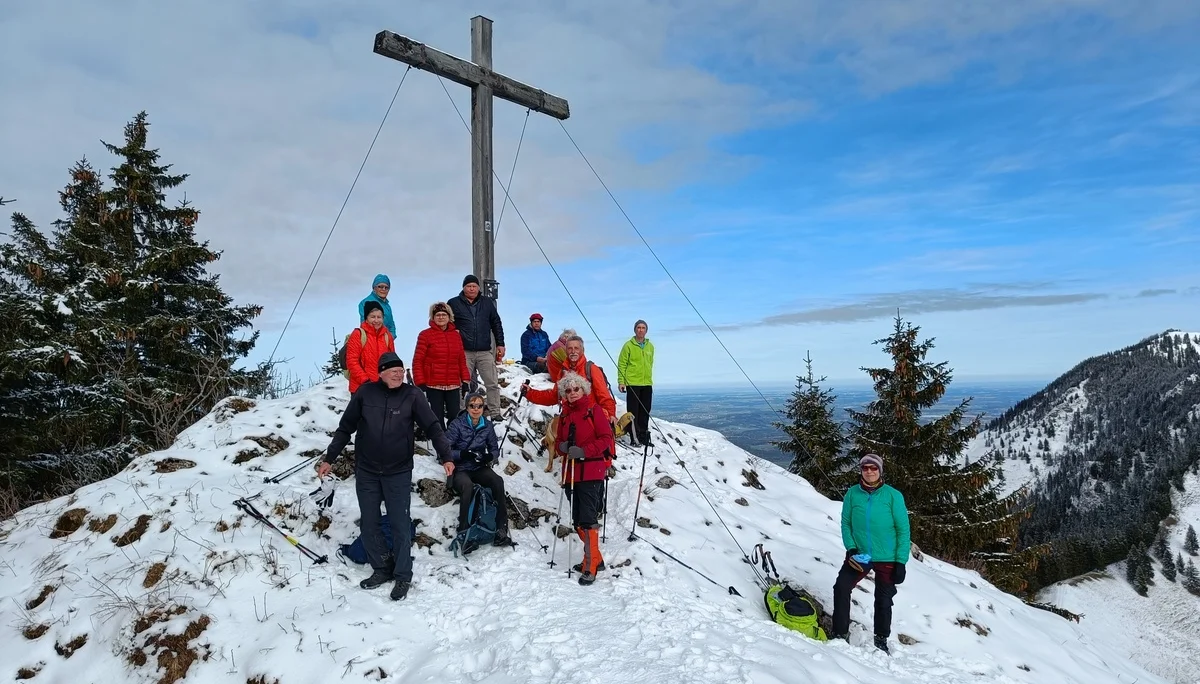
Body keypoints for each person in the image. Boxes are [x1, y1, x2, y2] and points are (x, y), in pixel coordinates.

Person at [319, 352, 451, 601]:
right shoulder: (365, 393)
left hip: (398, 471)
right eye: (393, 370)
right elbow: (346, 427)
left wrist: (446, 456)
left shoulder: (413, 395)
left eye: (401, 370)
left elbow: (433, 426)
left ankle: (402, 575)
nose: (399, 374)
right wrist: (329, 458)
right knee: (369, 523)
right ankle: (381, 568)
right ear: (381, 372)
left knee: (400, 524)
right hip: (367, 471)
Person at [832, 453, 910, 653]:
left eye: (873, 468)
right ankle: (840, 633)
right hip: (860, 554)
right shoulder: (852, 494)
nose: (869, 471)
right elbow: (846, 523)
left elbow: (903, 530)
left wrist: (901, 562)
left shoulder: (893, 496)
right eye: (865, 468)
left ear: (880, 470)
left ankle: (881, 639)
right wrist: (851, 548)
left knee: (883, 600)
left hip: (888, 556)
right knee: (841, 587)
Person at [549, 371, 614, 586]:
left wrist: (584, 451)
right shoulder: (565, 416)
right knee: (577, 519)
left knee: (587, 519)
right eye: (568, 390)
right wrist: (563, 447)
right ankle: (596, 558)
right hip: (571, 474)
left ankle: (590, 566)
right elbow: (558, 443)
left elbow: (606, 439)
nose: (572, 393)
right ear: (564, 395)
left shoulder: (594, 410)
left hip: (591, 471)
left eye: (576, 388)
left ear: (583, 389)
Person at [442, 392, 512, 550]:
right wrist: (462, 454)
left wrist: (488, 457)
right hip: (460, 468)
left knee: (497, 481)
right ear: (466, 407)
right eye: (472, 406)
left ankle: (501, 529)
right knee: (467, 486)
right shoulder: (457, 424)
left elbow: (494, 449)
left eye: (479, 405)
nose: (476, 409)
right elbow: (445, 450)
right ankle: (464, 531)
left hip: (479, 466)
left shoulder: (487, 426)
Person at [523, 335, 616, 423]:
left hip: (591, 422)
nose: (573, 351)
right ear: (566, 351)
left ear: (582, 350)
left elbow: (604, 397)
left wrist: (610, 415)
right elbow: (554, 396)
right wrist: (529, 393)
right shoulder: (563, 372)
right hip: (570, 422)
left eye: (576, 348)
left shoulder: (591, 369)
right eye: (570, 348)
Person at [448, 274, 505, 418]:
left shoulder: (487, 303)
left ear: (478, 288)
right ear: (463, 287)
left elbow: (496, 323)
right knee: (462, 383)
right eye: (468, 286)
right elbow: (447, 324)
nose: (471, 289)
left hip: (484, 350)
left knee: (492, 382)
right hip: (463, 351)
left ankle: (495, 412)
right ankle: (461, 411)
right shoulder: (453, 303)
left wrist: (500, 344)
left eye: (474, 286)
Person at [412, 302, 471, 430]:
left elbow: (461, 359)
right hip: (433, 383)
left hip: (453, 383)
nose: (441, 317)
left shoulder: (456, 335)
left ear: (449, 317)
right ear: (433, 317)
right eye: (437, 315)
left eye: (444, 314)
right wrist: (420, 381)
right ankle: (440, 445)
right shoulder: (425, 335)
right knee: (436, 417)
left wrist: (465, 380)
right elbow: (418, 360)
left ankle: (452, 442)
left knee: (454, 416)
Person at [617, 319, 655, 446]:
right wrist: (621, 382)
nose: (641, 330)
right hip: (633, 383)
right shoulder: (628, 345)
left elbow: (650, 364)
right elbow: (622, 364)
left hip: (647, 383)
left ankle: (643, 437)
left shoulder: (650, 346)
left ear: (646, 330)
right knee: (633, 412)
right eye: (638, 327)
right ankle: (634, 437)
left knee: (645, 411)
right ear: (635, 330)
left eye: (643, 327)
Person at [347, 300, 395, 394]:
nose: (376, 320)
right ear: (366, 318)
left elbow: (392, 361)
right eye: (373, 317)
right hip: (361, 388)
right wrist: (366, 381)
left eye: (379, 317)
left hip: (382, 387)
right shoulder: (358, 334)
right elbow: (352, 361)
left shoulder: (387, 336)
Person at [358, 274, 396, 338]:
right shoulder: (365, 303)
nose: (383, 289)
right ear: (374, 288)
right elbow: (365, 325)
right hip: (371, 342)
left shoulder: (387, 306)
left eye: (386, 287)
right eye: (380, 286)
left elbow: (391, 326)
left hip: (385, 344)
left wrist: (390, 339)